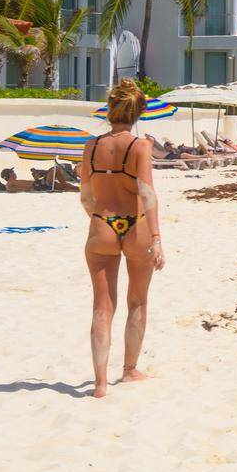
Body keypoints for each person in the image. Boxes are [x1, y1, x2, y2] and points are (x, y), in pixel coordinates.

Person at [79, 77, 165, 398]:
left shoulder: (91, 147)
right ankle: (129, 370)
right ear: (137, 113)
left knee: (102, 306)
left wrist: (98, 220)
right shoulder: (140, 146)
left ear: (110, 110)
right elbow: (146, 193)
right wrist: (156, 237)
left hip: (102, 224)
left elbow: (86, 197)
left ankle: (100, 384)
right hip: (135, 226)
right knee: (137, 300)